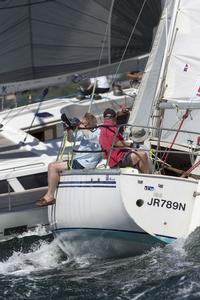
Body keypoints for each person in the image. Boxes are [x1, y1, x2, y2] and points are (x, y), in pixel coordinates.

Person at [36, 112, 102, 207]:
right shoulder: (85, 131)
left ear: (88, 123)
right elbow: (71, 139)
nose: (81, 124)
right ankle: (54, 191)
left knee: (52, 167)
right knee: (56, 163)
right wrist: (69, 128)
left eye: (83, 122)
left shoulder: (98, 132)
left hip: (85, 163)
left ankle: (49, 196)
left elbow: (90, 137)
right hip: (79, 161)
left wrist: (80, 125)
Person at [99, 108, 150, 173]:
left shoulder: (103, 127)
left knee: (138, 152)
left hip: (111, 157)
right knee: (142, 155)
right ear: (114, 118)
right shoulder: (110, 128)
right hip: (117, 159)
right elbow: (116, 142)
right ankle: (146, 176)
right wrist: (131, 144)